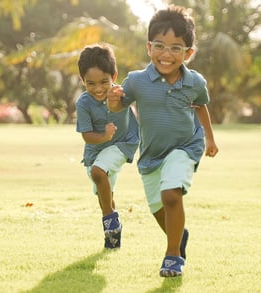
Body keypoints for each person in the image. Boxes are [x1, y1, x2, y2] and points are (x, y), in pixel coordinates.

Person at [106, 5, 219, 277]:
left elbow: (201, 106)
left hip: (184, 147)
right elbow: (120, 105)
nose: (166, 54)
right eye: (160, 46)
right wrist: (113, 103)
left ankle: (173, 256)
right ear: (149, 47)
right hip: (151, 155)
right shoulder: (136, 81)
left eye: (176, 48)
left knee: (171, 195)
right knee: (159, 209)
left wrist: (210, 139)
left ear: (188, 53)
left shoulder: (195, 82)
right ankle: (179, 237)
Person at [75, 43, 139, 250]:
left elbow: (142, 99)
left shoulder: (121, 93)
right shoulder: (83, 103)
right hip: (96, 149)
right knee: (103, 191)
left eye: (104, 81)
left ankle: (109, 221)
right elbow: (87, 136)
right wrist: (103, 136)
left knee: (98, 172)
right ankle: (114, 228)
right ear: (82, 80)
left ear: (114, 75)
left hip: (123, 143)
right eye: (90, 83)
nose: (98, 89)